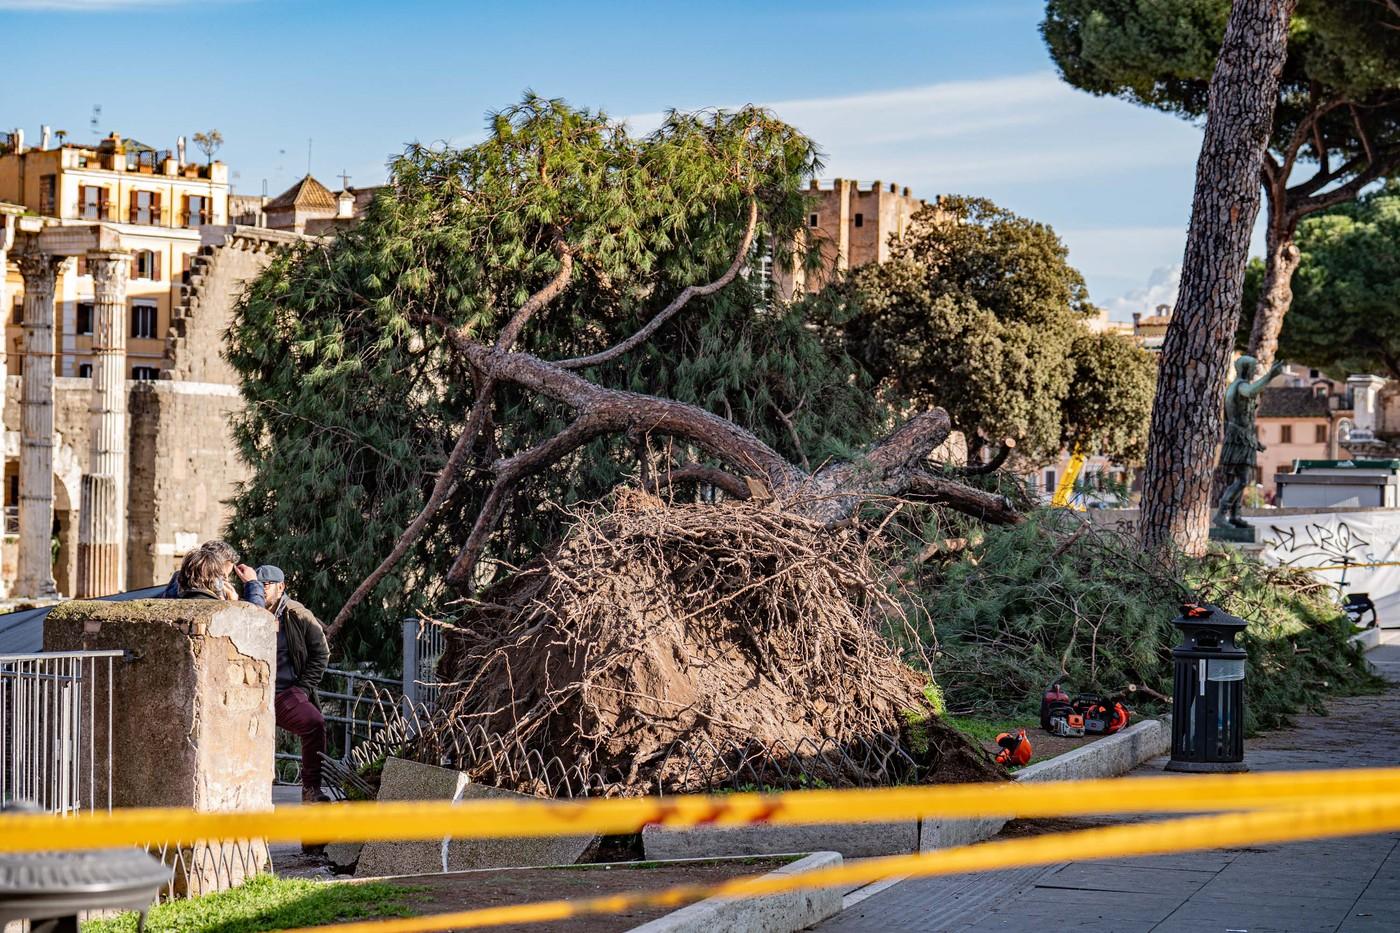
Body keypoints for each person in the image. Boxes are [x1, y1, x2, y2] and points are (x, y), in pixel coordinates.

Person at [258, 565, 330, 804]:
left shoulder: (296, 613)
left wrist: (303, 688)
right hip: (253, 693)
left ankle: (311, 788)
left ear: (281, 586)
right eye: (258, 584)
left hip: (285, 692)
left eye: (267, 584)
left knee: (314, 723)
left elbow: (321, 653)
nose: (262, 589)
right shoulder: (249, 609)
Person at [162, 540, 264, 607]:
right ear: (210, 571)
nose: (225, 582)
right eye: (223, 577)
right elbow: (257, 622)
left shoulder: (179, 589)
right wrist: (252, 584)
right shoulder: (200, 600)